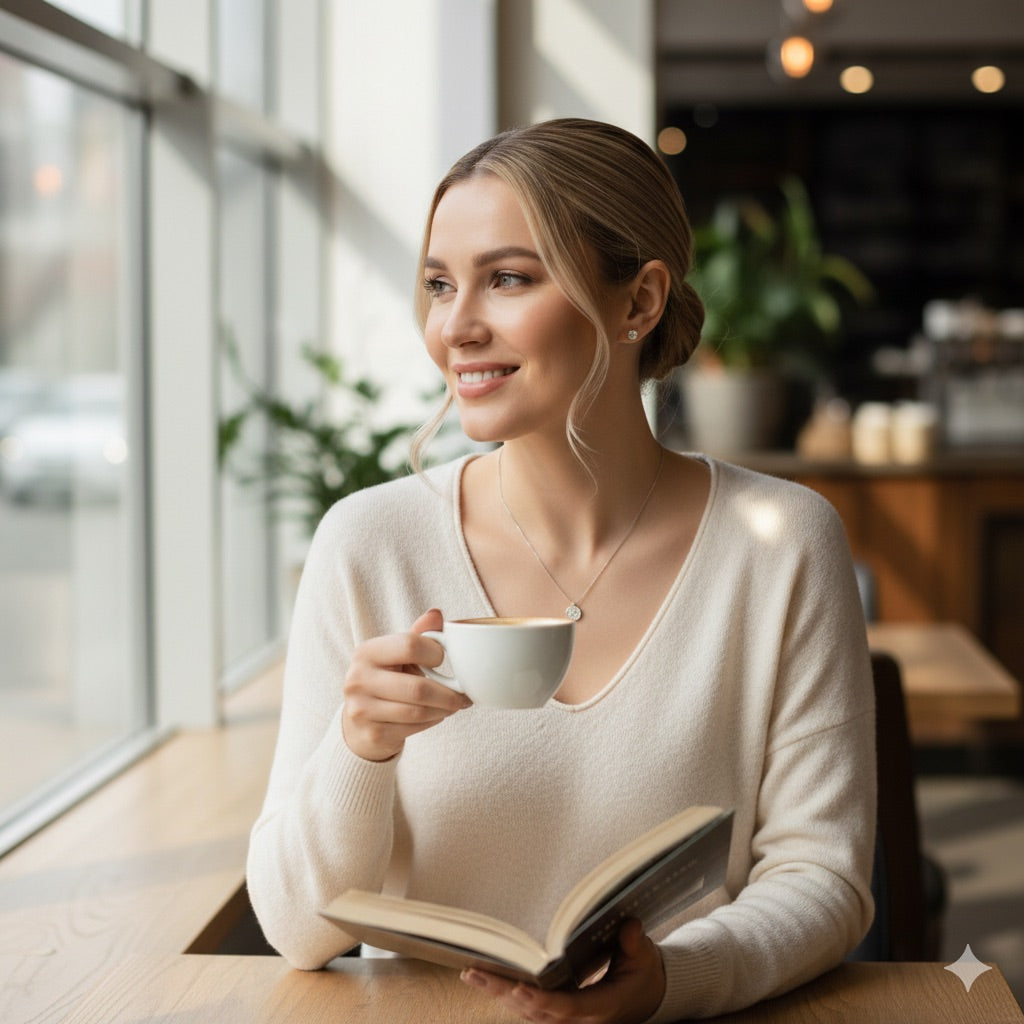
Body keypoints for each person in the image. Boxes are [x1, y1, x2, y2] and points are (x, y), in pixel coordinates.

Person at [246, 118, 876, 1023]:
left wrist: (669, 982)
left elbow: (824, 879)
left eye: (507, 279)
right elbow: (293, 929)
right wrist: (359, 749)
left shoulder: (781, 545)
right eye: (437, 285)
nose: (455, 327)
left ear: (638, 301)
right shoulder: (368, 542)